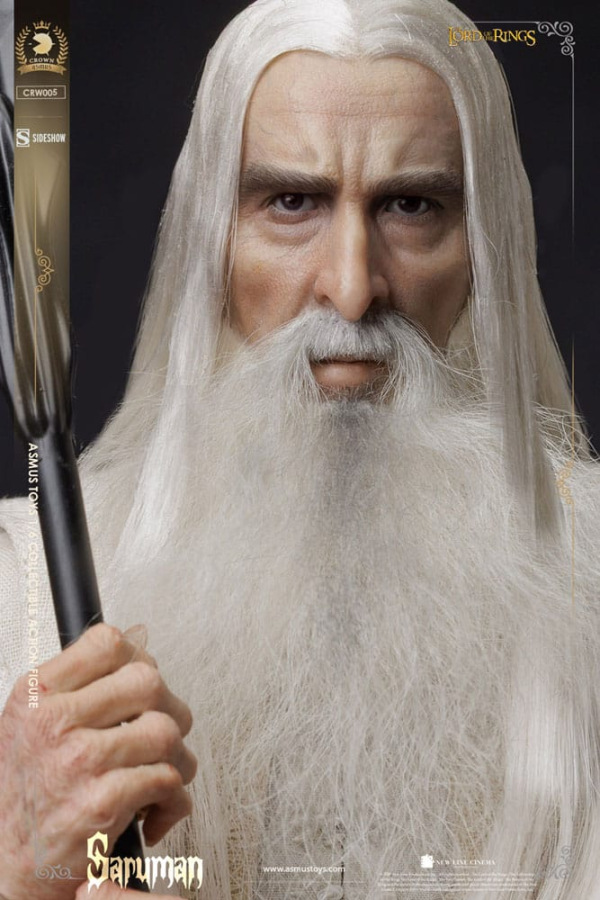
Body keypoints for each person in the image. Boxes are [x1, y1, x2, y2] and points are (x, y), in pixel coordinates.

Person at [1, 0, 599, 898]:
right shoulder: (17, 589)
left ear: (486, 252)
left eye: (410, 206)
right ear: (212, 246)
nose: (353, 290)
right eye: (292, 202)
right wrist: (15, 864)